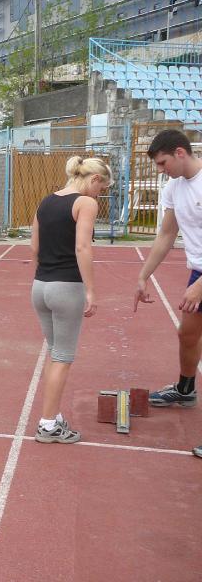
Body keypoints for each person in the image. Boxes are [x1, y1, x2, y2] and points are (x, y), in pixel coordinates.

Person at [31, 156, 112, 443]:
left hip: (40, 286)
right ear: (94, 179)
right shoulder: (85, 203)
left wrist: (44, 274)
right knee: (63, 357)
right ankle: (48, 424)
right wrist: (90, 290)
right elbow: (82, 247)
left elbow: (34, 246)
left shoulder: (46, 201)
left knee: (55, 353)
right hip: (66, 287)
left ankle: (51, 416)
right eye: (101, 188)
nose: (99, 194)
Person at [133, 129, 202, 458]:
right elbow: (166, 234)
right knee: (187, 334)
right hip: (198, 272)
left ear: (180, 152)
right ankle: (186, 390)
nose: (161, 171)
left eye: (163, 163)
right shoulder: (174, 188)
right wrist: (143, 275)